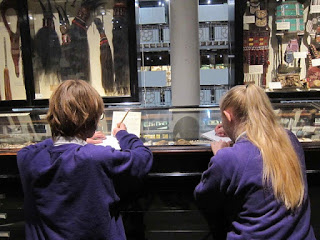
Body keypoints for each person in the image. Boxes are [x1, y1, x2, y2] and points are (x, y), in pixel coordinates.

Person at [17, 80, 153, 240]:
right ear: (91, 121)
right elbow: (143, 158)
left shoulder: (26, 158)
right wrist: (123, 135)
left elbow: (35, 148)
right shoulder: (95, 156)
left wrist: (73, 138)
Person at [194, 84, 315, 239]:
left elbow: (203, 198)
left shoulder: (227, 158)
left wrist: (220, 155)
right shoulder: (290, 139)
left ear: (228, 115)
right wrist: (231, 131)